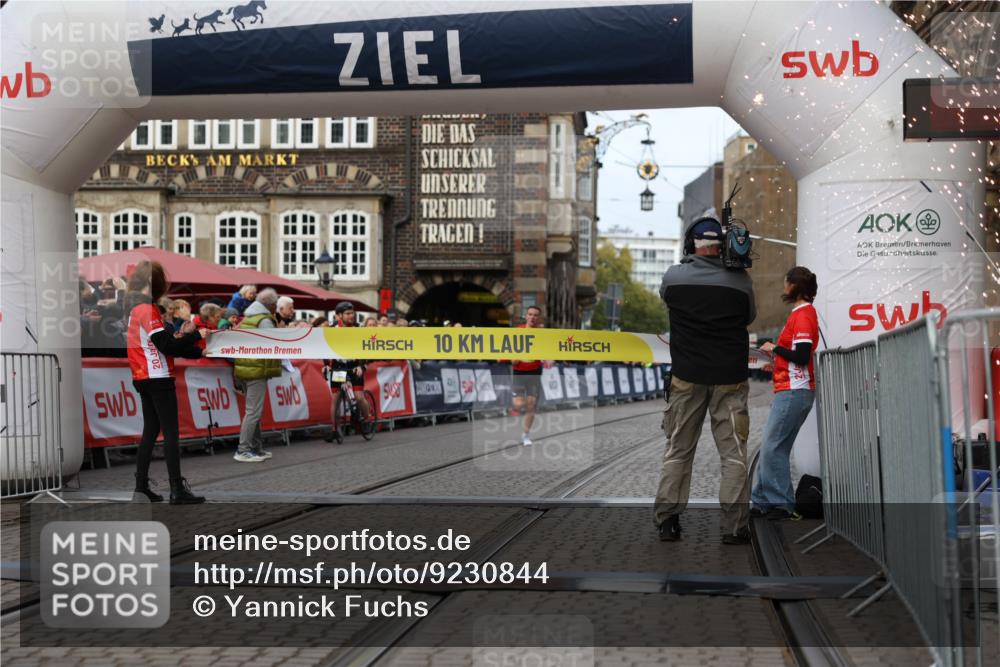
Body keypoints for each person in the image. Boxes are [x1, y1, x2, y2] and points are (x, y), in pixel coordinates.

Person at [654, 217, 756, 545]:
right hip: (730, 378)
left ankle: (668, 521)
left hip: (687, 376)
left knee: (678, 449)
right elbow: (750, 316)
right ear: (722, 247)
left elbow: (666, 298)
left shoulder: (674, 277)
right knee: (734, 453)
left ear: (690, 245)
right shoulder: (741, 281)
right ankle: (734, 528)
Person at [125, 260, 206, 504]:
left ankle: (141, 487)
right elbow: (166, 346)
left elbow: (166, 343)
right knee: (170, 432)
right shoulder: (147, 309)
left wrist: (197, 348)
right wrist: (195, 336)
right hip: (157, 376)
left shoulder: (135, 309)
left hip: (142, 376)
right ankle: (176, 489)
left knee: (150, 431)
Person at [751, 267, 820, 521]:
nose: (783, 286)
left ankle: (781, 503)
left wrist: (775, 348)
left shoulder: (803, 316)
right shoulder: (802, 314)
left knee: (772, 447)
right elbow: (797, 357)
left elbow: (801, 356)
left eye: (786, 282)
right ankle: (763, 501)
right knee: (773, 446)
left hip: (794, 390)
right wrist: (776, 362)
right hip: (792, 389)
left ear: (794, 286)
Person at [232, 288, 282, 463]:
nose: (276, 307)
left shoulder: (248, 318)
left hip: (246, 367)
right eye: (275, 304)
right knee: (253, 412)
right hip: (257, 369)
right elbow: (273, 342)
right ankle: (243, 449)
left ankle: (256, 448)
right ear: (271, 305)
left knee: (254, 411)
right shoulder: (264, 320)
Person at [324, 301, 371, 440]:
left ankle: (366, 420)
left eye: (352, 313)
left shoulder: (358, 329)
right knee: (336, 399)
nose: (351, 316)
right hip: (339, 368)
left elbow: (366, 349)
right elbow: (324, 348)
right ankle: (334, 429)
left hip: (354, 366)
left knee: (359, 397)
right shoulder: (332, 329)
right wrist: (326, 365)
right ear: (339, 315)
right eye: (348, 313)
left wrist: (362, 366)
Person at [509, 305, 552, 446]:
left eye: (535, 315)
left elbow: (549, 351)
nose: (532, 317)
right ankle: (515, 408)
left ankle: (526, 435)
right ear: (526, 316)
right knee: (519, 404)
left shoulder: (542, 334)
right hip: (519, 372)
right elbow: (510, 352)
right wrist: (514, 359)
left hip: (534, 372)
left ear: (539, 318)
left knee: (531, 405)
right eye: (530, 314)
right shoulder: (518, 331)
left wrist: (549, 359)